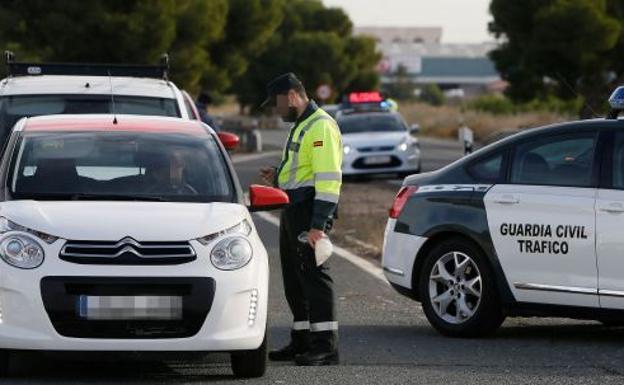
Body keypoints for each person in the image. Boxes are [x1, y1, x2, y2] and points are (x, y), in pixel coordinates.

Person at [259, 73, 342, 366]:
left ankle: (325, 346)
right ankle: (302, 340)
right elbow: (302, 169)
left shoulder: (320, 127)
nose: (276, 109)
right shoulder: (302, 126)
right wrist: (278, 174)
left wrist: (318, 226)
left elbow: (328, 180)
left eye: (278, 103)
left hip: (309, 213)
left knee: (315, 277)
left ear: (292, 96)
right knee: (296, 279)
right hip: (293, 210)